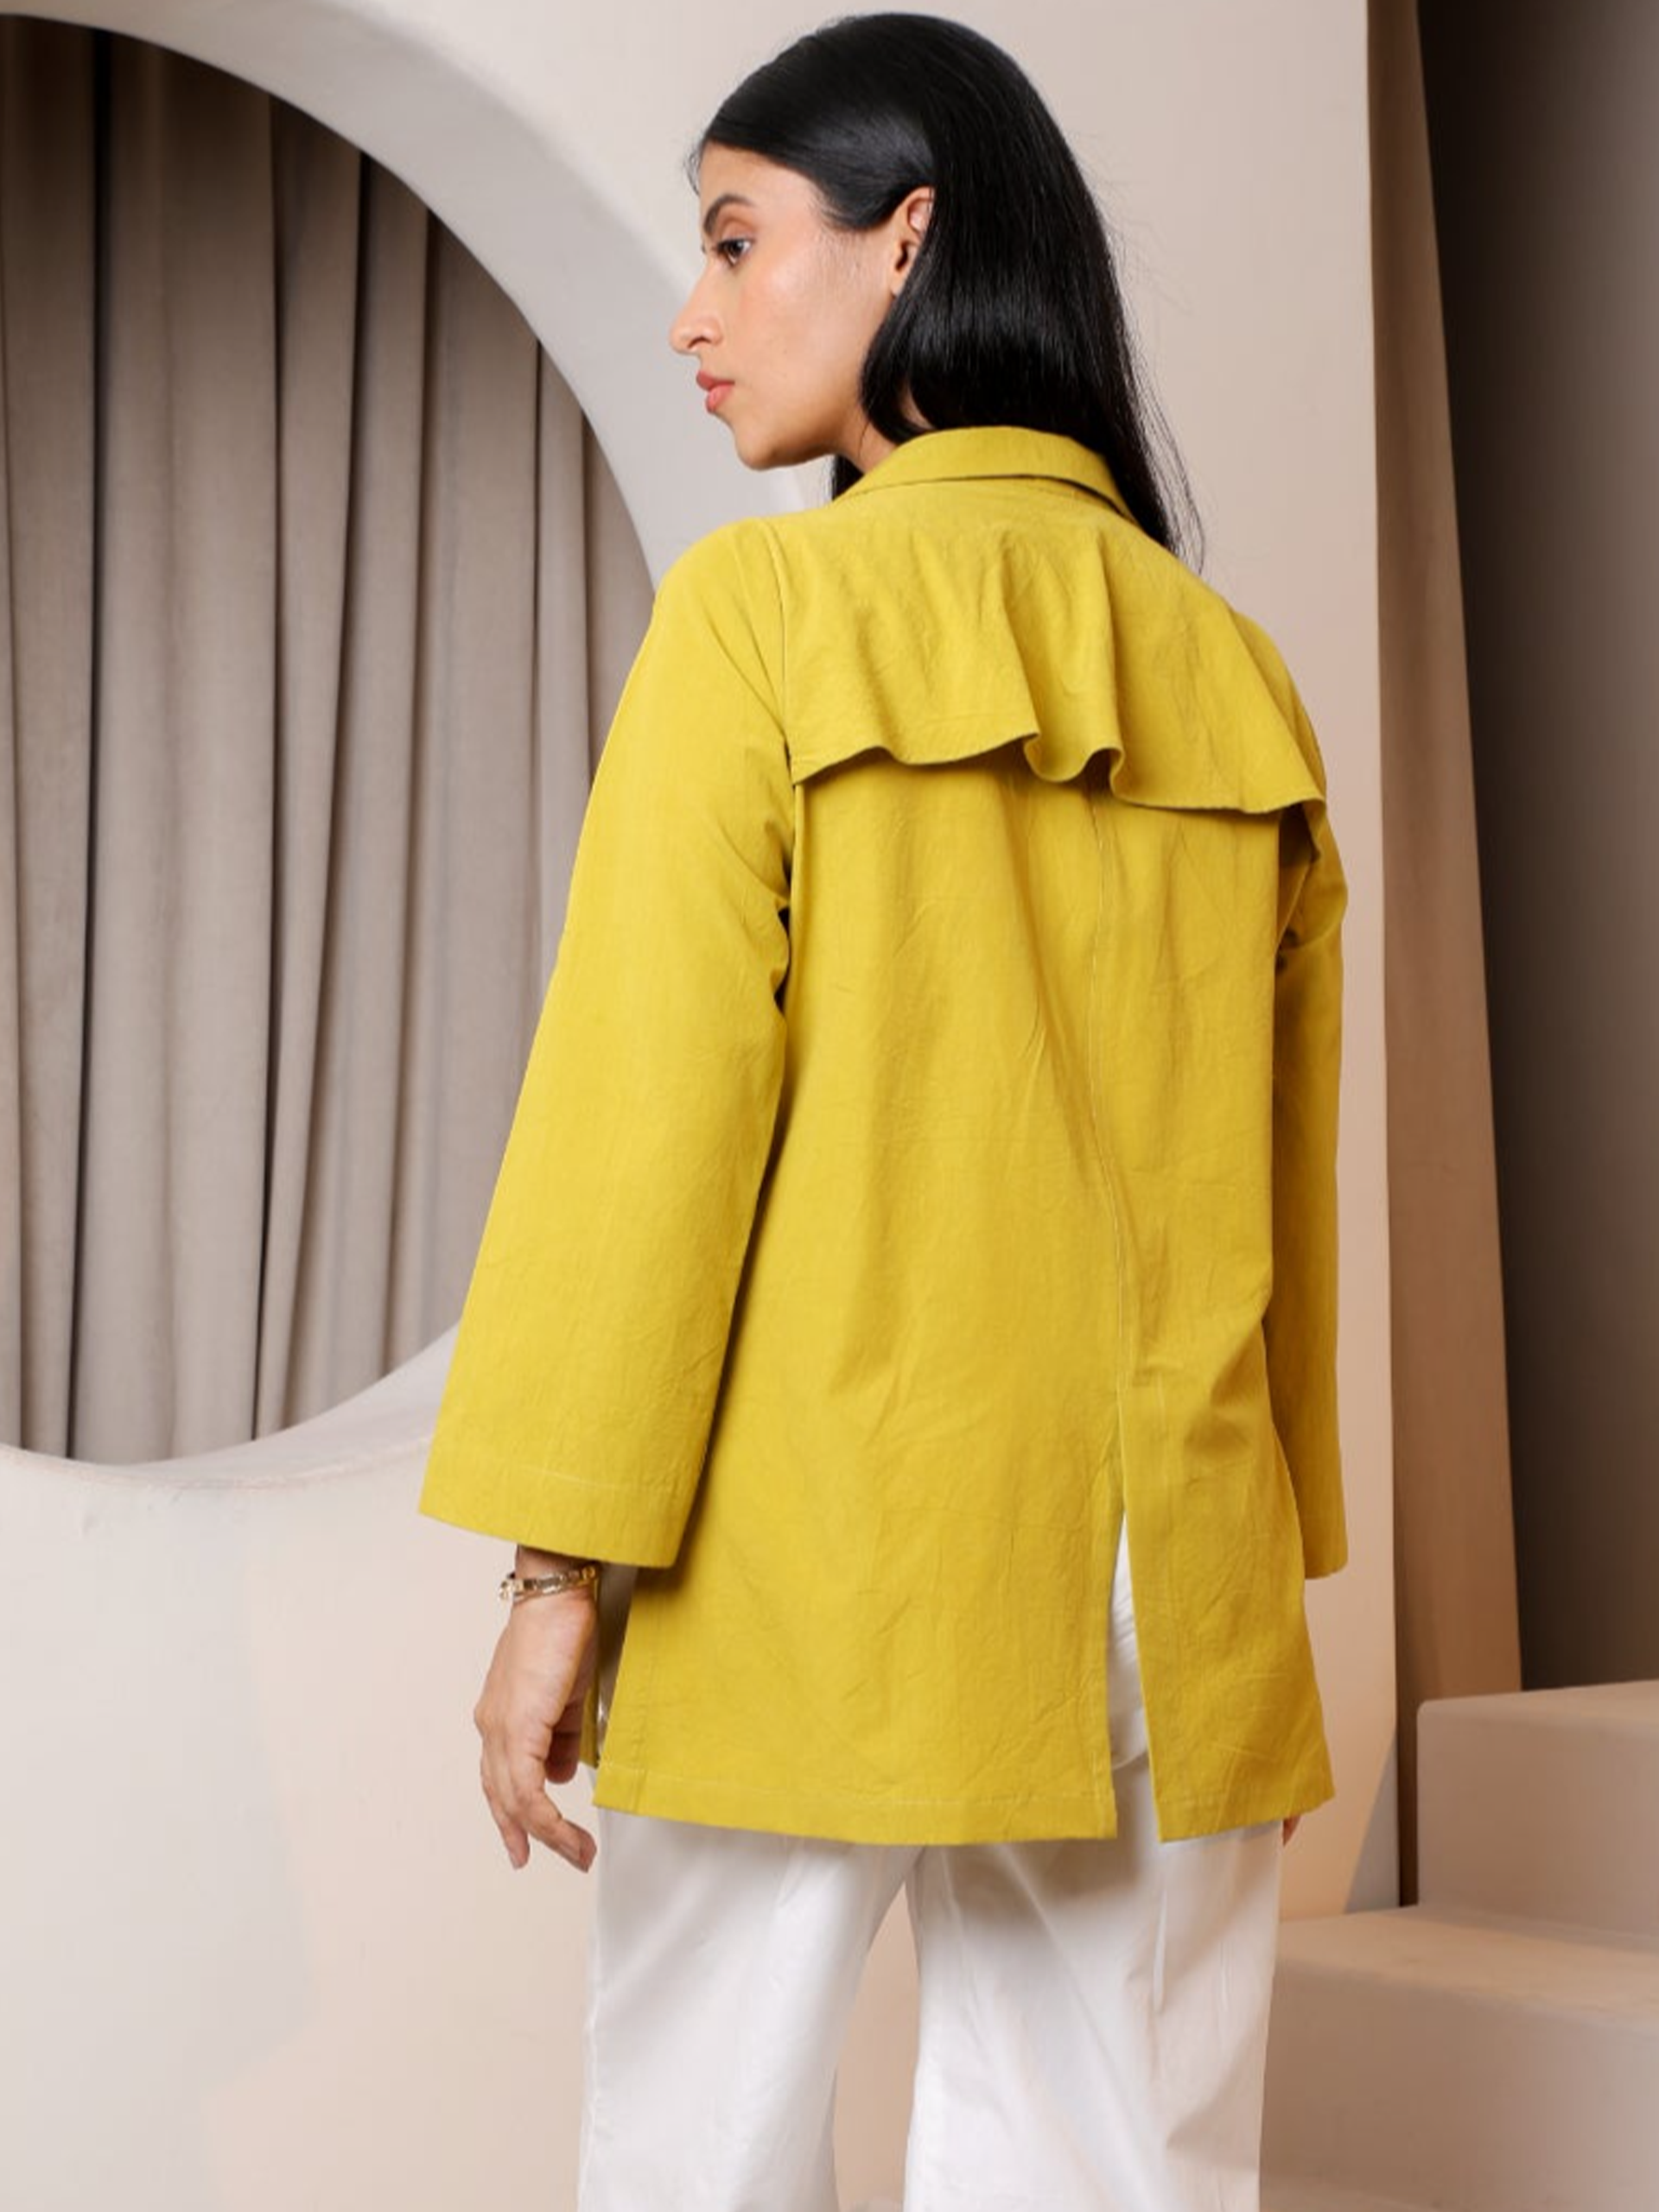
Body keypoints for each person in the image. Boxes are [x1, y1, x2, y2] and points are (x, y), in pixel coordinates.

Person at [421, 14, 1347, 2209]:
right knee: (1112, 2170)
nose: (696, 310)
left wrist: (558, 1569)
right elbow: (1284, 1185)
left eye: (739, 241)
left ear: (907, 237)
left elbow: (648, 1122)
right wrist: (1265, 1565)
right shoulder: (1232, 667)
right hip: (1169, 1578)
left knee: (704, 2161)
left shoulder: (764, 615)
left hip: (821, 1553)